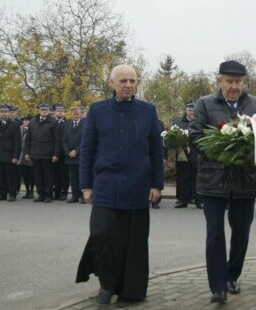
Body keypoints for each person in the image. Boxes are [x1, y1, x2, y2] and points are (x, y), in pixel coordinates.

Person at [76, 64, 164, 306]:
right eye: (123, 81)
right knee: (102, 235)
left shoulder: (147, 111)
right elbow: (87, 150)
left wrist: (157, 184)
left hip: (137, 186)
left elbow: (157, 151)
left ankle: (130, 290)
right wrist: (86, 185)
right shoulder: (97, 110)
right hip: (105, 185)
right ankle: (107, 284)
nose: (128, 85)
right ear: (112, 83)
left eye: (132, 81)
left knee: (133, 241)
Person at [189, 60, 256, 304]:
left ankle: (232, 274)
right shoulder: (204, 104)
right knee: (214, 234)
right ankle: (218, 286)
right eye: (229, 81)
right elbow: (195, 135)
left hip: (245, 179)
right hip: (213, 179)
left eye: (238, 82)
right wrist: (221, 149)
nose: (234, 86)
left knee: (241, 231)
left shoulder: (255, 104)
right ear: (219, 81)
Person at [24, 103, 60, 203]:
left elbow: (57, 139)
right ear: (39, 111)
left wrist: (55, 154)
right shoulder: (33, 121)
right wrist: (27, 152)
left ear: (48, 111)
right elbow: (28, 138)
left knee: (48, 176)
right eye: (42, 110)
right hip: (35, 153)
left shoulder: (53, 122)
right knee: (38, 176)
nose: (44, 111)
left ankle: (48, 195)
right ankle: (41, 194)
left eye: (46, 110)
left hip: (48, 154)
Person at [0, 104, 22, 202]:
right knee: (0, 176)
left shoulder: (15, 125)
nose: (3, 114)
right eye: (1, 112)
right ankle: (1, 193)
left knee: (11, 176)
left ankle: (12, 194)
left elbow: (18, 142)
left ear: (9, 113)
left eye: (5, 112)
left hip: (9, 155)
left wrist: (16, 156)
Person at [173, 101, 202, 209]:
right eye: (190, 110)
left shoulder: (200, 121)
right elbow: (173, 137)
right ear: (186, 110)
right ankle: (183, 200)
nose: (192, 112)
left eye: (194, 110)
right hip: (182, 154)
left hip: (196, 154)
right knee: (183, 177)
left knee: (197, 178)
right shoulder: (178, 122)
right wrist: (180, 147)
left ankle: (198, 200)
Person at [62, 106, 84, 203]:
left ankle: (83, 196)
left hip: (81, 155)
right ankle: (75, 196)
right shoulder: (67, 125)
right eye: (74, 114)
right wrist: (68, 152)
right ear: (71, 115)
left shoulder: (85, 124)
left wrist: (76, 151)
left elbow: (86, 140)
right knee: (73, 177)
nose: (75, 116)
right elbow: (63, 141)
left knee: (82, 176)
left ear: (80, 114)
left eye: (77, 114)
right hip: (69, 156)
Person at [53, 103, 69, 200]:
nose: (60, 112)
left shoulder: (67, 123)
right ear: (55, 112)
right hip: (54, 152)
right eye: (58, 111)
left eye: (62, 111)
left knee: (64, 174)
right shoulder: (52, 123)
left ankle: (64, 192)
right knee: (55, 174)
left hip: (63, 153)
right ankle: (57, 192)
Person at [18, 114, 34, 199]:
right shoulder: (19, 129)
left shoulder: (33, 129)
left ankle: (31, 191)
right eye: (24, 120)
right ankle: (27, 190)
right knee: (24, 175)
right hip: (21, 156)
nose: (25, 122)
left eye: (27, 120)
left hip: (30, 155)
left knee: (31, 175)